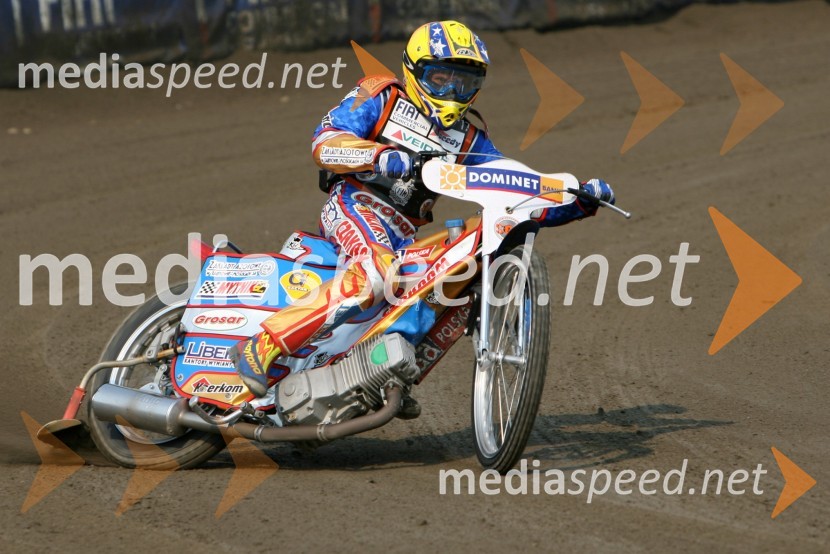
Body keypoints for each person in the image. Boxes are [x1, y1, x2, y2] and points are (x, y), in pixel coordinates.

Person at [230, 20, 614, 398]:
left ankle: (382, 374)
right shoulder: (378, 94)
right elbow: (325, 142)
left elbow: (514, 186)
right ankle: (262, 346)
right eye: (441, 78)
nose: (452, 90)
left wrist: (574, 199)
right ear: (414, 70)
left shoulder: (470, 139)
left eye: (463, 81)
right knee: (377, 274)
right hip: (354, 204)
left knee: (458, 282)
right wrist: (380, 156)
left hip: (404, 233)